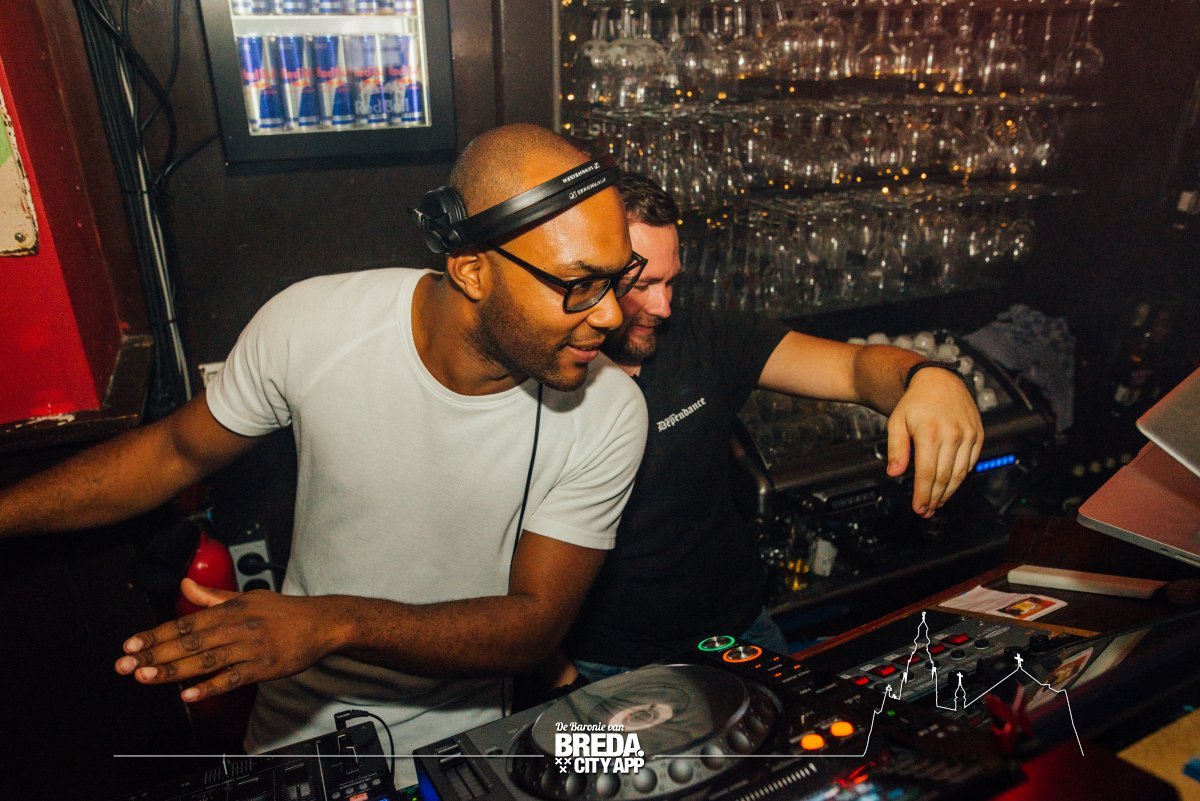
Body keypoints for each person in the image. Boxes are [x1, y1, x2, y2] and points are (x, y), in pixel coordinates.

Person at [0, 124, 649, 785]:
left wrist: (332, 623)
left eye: (618, 277)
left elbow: (534, 624)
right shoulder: (315, 325)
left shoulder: (610, 411)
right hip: (297, 733)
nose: (610, 316)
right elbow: (172, 452)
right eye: (579, 284)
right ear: (472, 269)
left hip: (466, 748)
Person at [563, 174, 984, 679]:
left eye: (671, 281)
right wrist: (556, 673)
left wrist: (928, 377)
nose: (663, 306)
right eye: (643, 285)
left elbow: (854, 368)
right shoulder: (554, 372)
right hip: (612, 661)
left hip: (741, 630)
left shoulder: (709, 337)